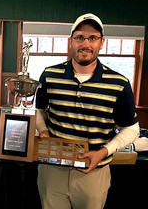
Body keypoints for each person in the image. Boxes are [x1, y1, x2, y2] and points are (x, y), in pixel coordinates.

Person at [35, 13, 140, 209]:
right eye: (80, 37)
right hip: (52, 170)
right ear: (71, 41)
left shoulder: (119, 83)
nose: (86, 43)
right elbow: (38, 111)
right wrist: (43, 131)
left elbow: (132, 129)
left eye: (92, 38)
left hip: (93, 173)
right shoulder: (49, 75)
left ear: (102, 42)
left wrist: (103, 152)